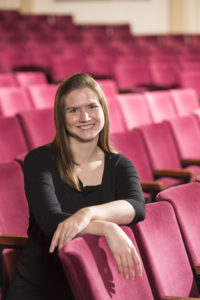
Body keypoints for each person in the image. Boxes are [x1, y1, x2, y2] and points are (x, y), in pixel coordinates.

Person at [6, 73, 145, 299]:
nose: (85, 117)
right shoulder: (39, 160)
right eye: (73, 110)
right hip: (40, 286)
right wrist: (107, 227)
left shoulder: (120, 165)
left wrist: (87, 213)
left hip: (90, 286)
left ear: (103, 110)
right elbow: (52, 222)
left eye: (92, 106)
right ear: (61, 117)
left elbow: (137, 207)